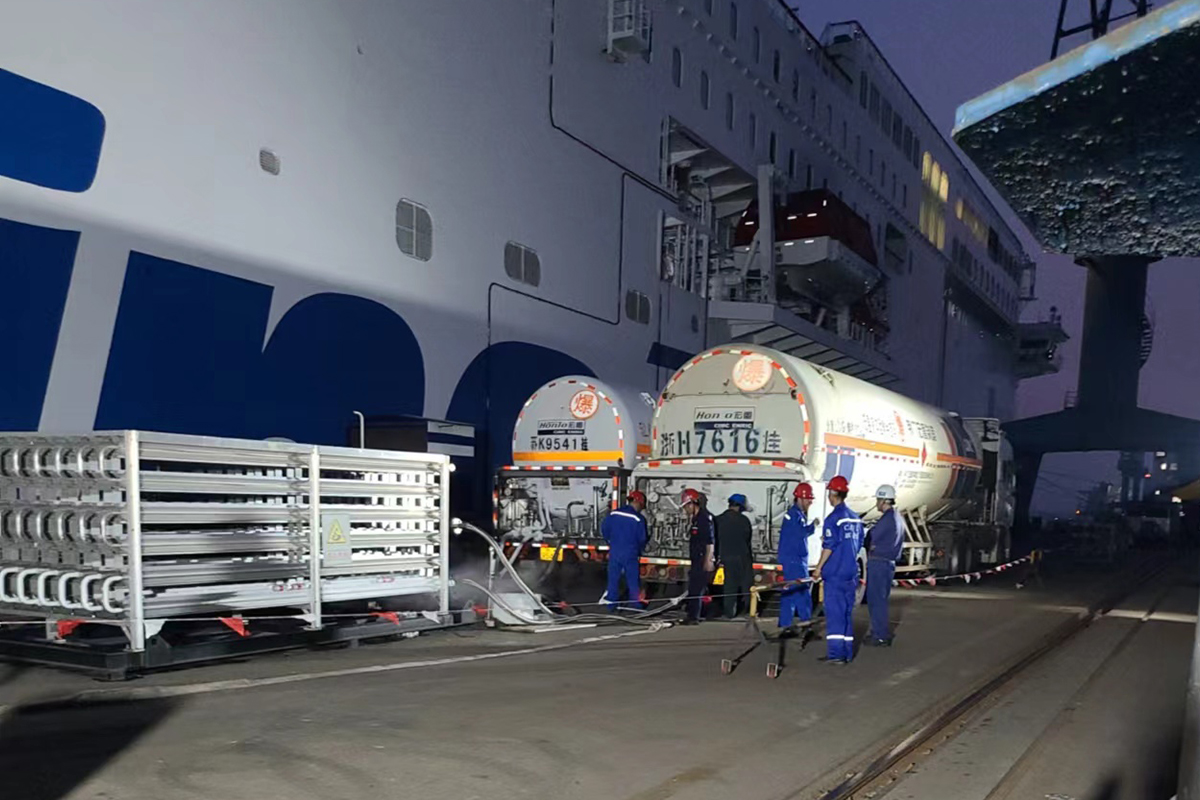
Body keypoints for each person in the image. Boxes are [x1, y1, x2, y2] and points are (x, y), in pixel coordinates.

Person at [814, 475, 864, 664]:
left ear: (833, 494)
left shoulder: (833, 518)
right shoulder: (856, 518)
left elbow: (829, 546)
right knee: (846, 614)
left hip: (835, 574)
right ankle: (847, 653)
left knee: (835, 615)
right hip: (851, 573)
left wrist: (818, 568)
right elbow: (858, 544)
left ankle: (836, 654)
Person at [865, 484, 903, 646]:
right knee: (880, 599)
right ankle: (878, 632)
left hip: (879, 563)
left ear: (883, 500)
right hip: (888, 563)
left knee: (876, 601)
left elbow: (872, 537)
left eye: (878, 500)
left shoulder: (887, 519)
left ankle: (880, 635)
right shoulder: (897, 517)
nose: (877, 503)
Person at [601, 489, 648, 612]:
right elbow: (642, 538)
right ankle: (636, 605)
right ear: (638, 502)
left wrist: (610, 542)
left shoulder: (613, 514)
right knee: (632, 580)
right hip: (630, 552)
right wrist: (640, 548)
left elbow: (604, 530)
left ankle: (611, 604)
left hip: (615, 551)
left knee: (613, 579)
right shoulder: (638, 519)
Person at [778, 482, 815, 631]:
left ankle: (785, 625)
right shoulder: (794, 516)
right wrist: (813, 526)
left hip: (793, 559)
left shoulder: (796, 515)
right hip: (794, 560)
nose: (810, 502)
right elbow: (799, 534)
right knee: (801, 592)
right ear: (800, 498)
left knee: (790, 592)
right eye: (808, 499)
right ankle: (805, 624)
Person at [715, 494, 754, 619]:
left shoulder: (718, 519)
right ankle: (747, 610)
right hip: (742, 556)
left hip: (725, 556)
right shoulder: (744, 521)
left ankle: (729, 612)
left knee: (729, 585)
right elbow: (748, 538)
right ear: (740, 506)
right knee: (746, 584)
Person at [681, 488, 714, 624]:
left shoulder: (704, 519)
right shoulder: (695, 519)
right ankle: (692, 614)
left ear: (692, 503)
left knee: (697, 588)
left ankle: (693, 617)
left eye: (686, 506)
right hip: (696, 558)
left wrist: (709, 560)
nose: (685, 510)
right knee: (693, 588)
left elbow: (710, 541)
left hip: (702, 559)